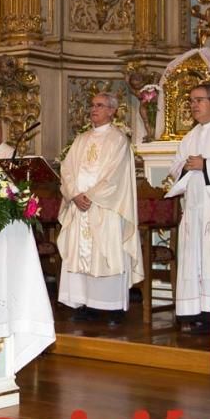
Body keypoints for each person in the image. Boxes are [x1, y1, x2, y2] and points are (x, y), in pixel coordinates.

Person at [56, 94, 143, 324]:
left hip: (105, 208)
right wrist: (74, 194)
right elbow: (66, 170)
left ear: (112, 111)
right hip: (79, 206)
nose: (93, 109)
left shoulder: (119, 141)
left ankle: (111, 307)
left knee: (106, 255)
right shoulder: (81, 139)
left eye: (99, 105)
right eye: (92, 105)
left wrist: (90, 196)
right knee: (80, 255)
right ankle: (85, 304)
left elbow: (115, 177)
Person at [168, 85, 210, 334]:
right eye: (191, 100)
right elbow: (175, 167)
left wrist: (207, 165)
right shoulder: (190, 136)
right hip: (193, 207)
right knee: (193, 259)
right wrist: (186, 167)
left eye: (199, 100)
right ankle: (195, 312)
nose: (193, 105)